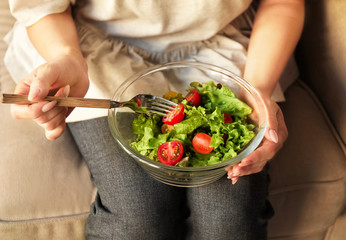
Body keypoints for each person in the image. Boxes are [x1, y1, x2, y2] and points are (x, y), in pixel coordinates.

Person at [5, 0, 304, 239]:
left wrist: (258, 88)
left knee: (230, 219)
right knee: (138, 218)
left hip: (223, 49)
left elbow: (283, 3)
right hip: (93, 51)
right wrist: (68, 58)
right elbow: (43, 6)